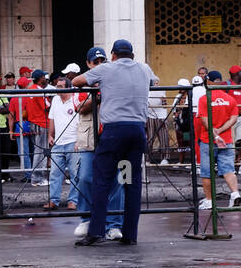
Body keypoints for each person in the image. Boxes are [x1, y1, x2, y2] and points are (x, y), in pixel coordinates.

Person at [71, 39, 157, 247]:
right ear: (133, 56)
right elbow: (155, 81)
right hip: (136, 132)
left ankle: (96, 231)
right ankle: (129, 234)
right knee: (130, 181)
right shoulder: (144, 69)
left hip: (114, 133)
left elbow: (76, 82)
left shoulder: (107, 69)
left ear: (113, 56)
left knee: (102, 180)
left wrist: (100, 82)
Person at [73, 47, 124, 241]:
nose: (99, 65)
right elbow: (81, 107)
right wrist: (99, 95)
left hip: (111, 134)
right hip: (89, 137)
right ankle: (86, 218)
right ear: (88, 64)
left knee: (116, 180)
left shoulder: (113, 79)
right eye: (95, 62)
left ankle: (114, 224)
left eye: (102, 61)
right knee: (85, 177)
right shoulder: (84, 81)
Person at [195, 70, 241, 212]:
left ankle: (209, 200)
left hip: (208, 139)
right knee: (228, 169)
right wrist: (221, 131)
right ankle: (235, 193)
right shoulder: (229, 98)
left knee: (206, 171)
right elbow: (234, 117)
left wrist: (214, 132)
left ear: (208, 81)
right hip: (226, 139)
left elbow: (203, 119)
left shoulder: (204, 98)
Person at [45, 75, 80, 210]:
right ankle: (54, 200)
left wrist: (79, 140)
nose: (57, 89)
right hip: (58, 142)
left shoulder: (75, 99)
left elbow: (80, 121)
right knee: (54, 173)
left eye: (60, 87)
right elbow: (51, 118)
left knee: (75, 173)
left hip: (73, 141)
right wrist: (50, 135)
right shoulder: (55, 100)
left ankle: (73, 201)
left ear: (68, 88)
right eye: (57, 86)